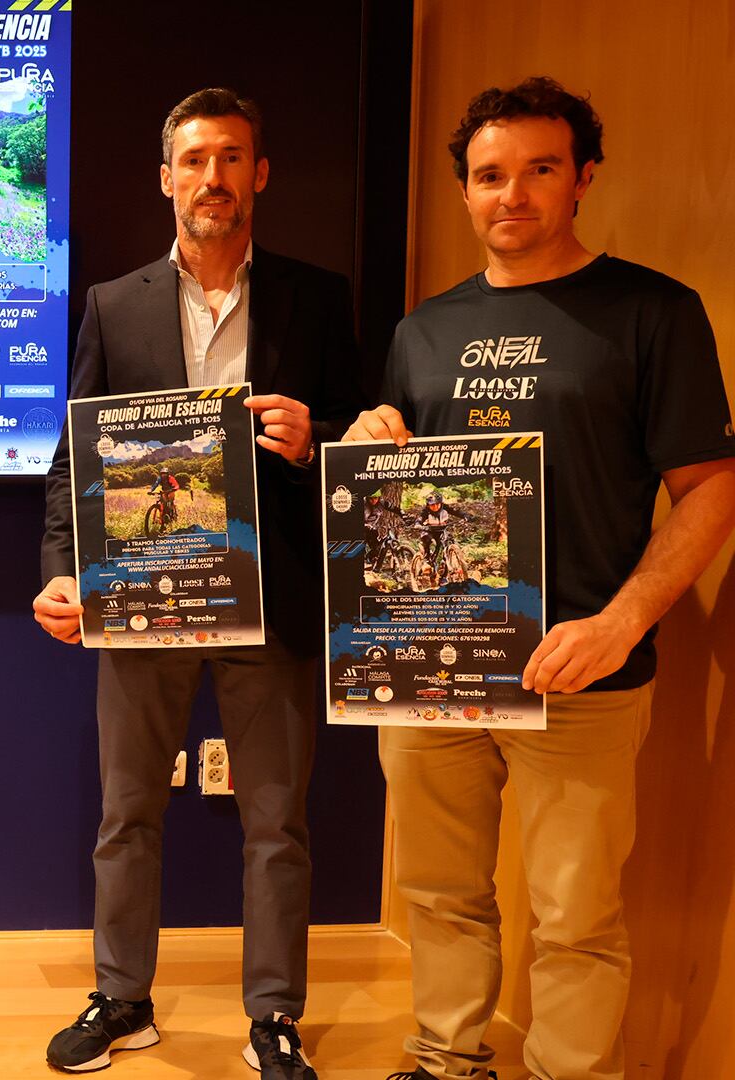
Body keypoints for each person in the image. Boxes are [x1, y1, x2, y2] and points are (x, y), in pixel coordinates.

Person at [346, 77, 735, 1080]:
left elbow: (709, 489)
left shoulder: (652, 312)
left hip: (583, 669)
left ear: (583, 178)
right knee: (438, 893)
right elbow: (398, 487)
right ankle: (446, 1057)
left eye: (539, 170)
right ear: (465, 191)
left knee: (576, 917)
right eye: (489, 176)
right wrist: (369, 438)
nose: (511, 195)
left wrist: (621, 623)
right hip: (433, 667)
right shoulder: (423, 330)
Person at [32, 88, 365, 1079]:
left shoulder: (318, 297)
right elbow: (75, 458)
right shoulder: (114, 303)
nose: (211, 177)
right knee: (127, 813)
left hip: (276, 599)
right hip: (144, 600)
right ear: (165, 177)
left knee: (277, 825)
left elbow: (367, 442)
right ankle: (121, 997)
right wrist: (61, 571)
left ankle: (274, 1015)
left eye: (229, 157)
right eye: (193, 159)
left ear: (258, 173)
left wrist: (318, 440)